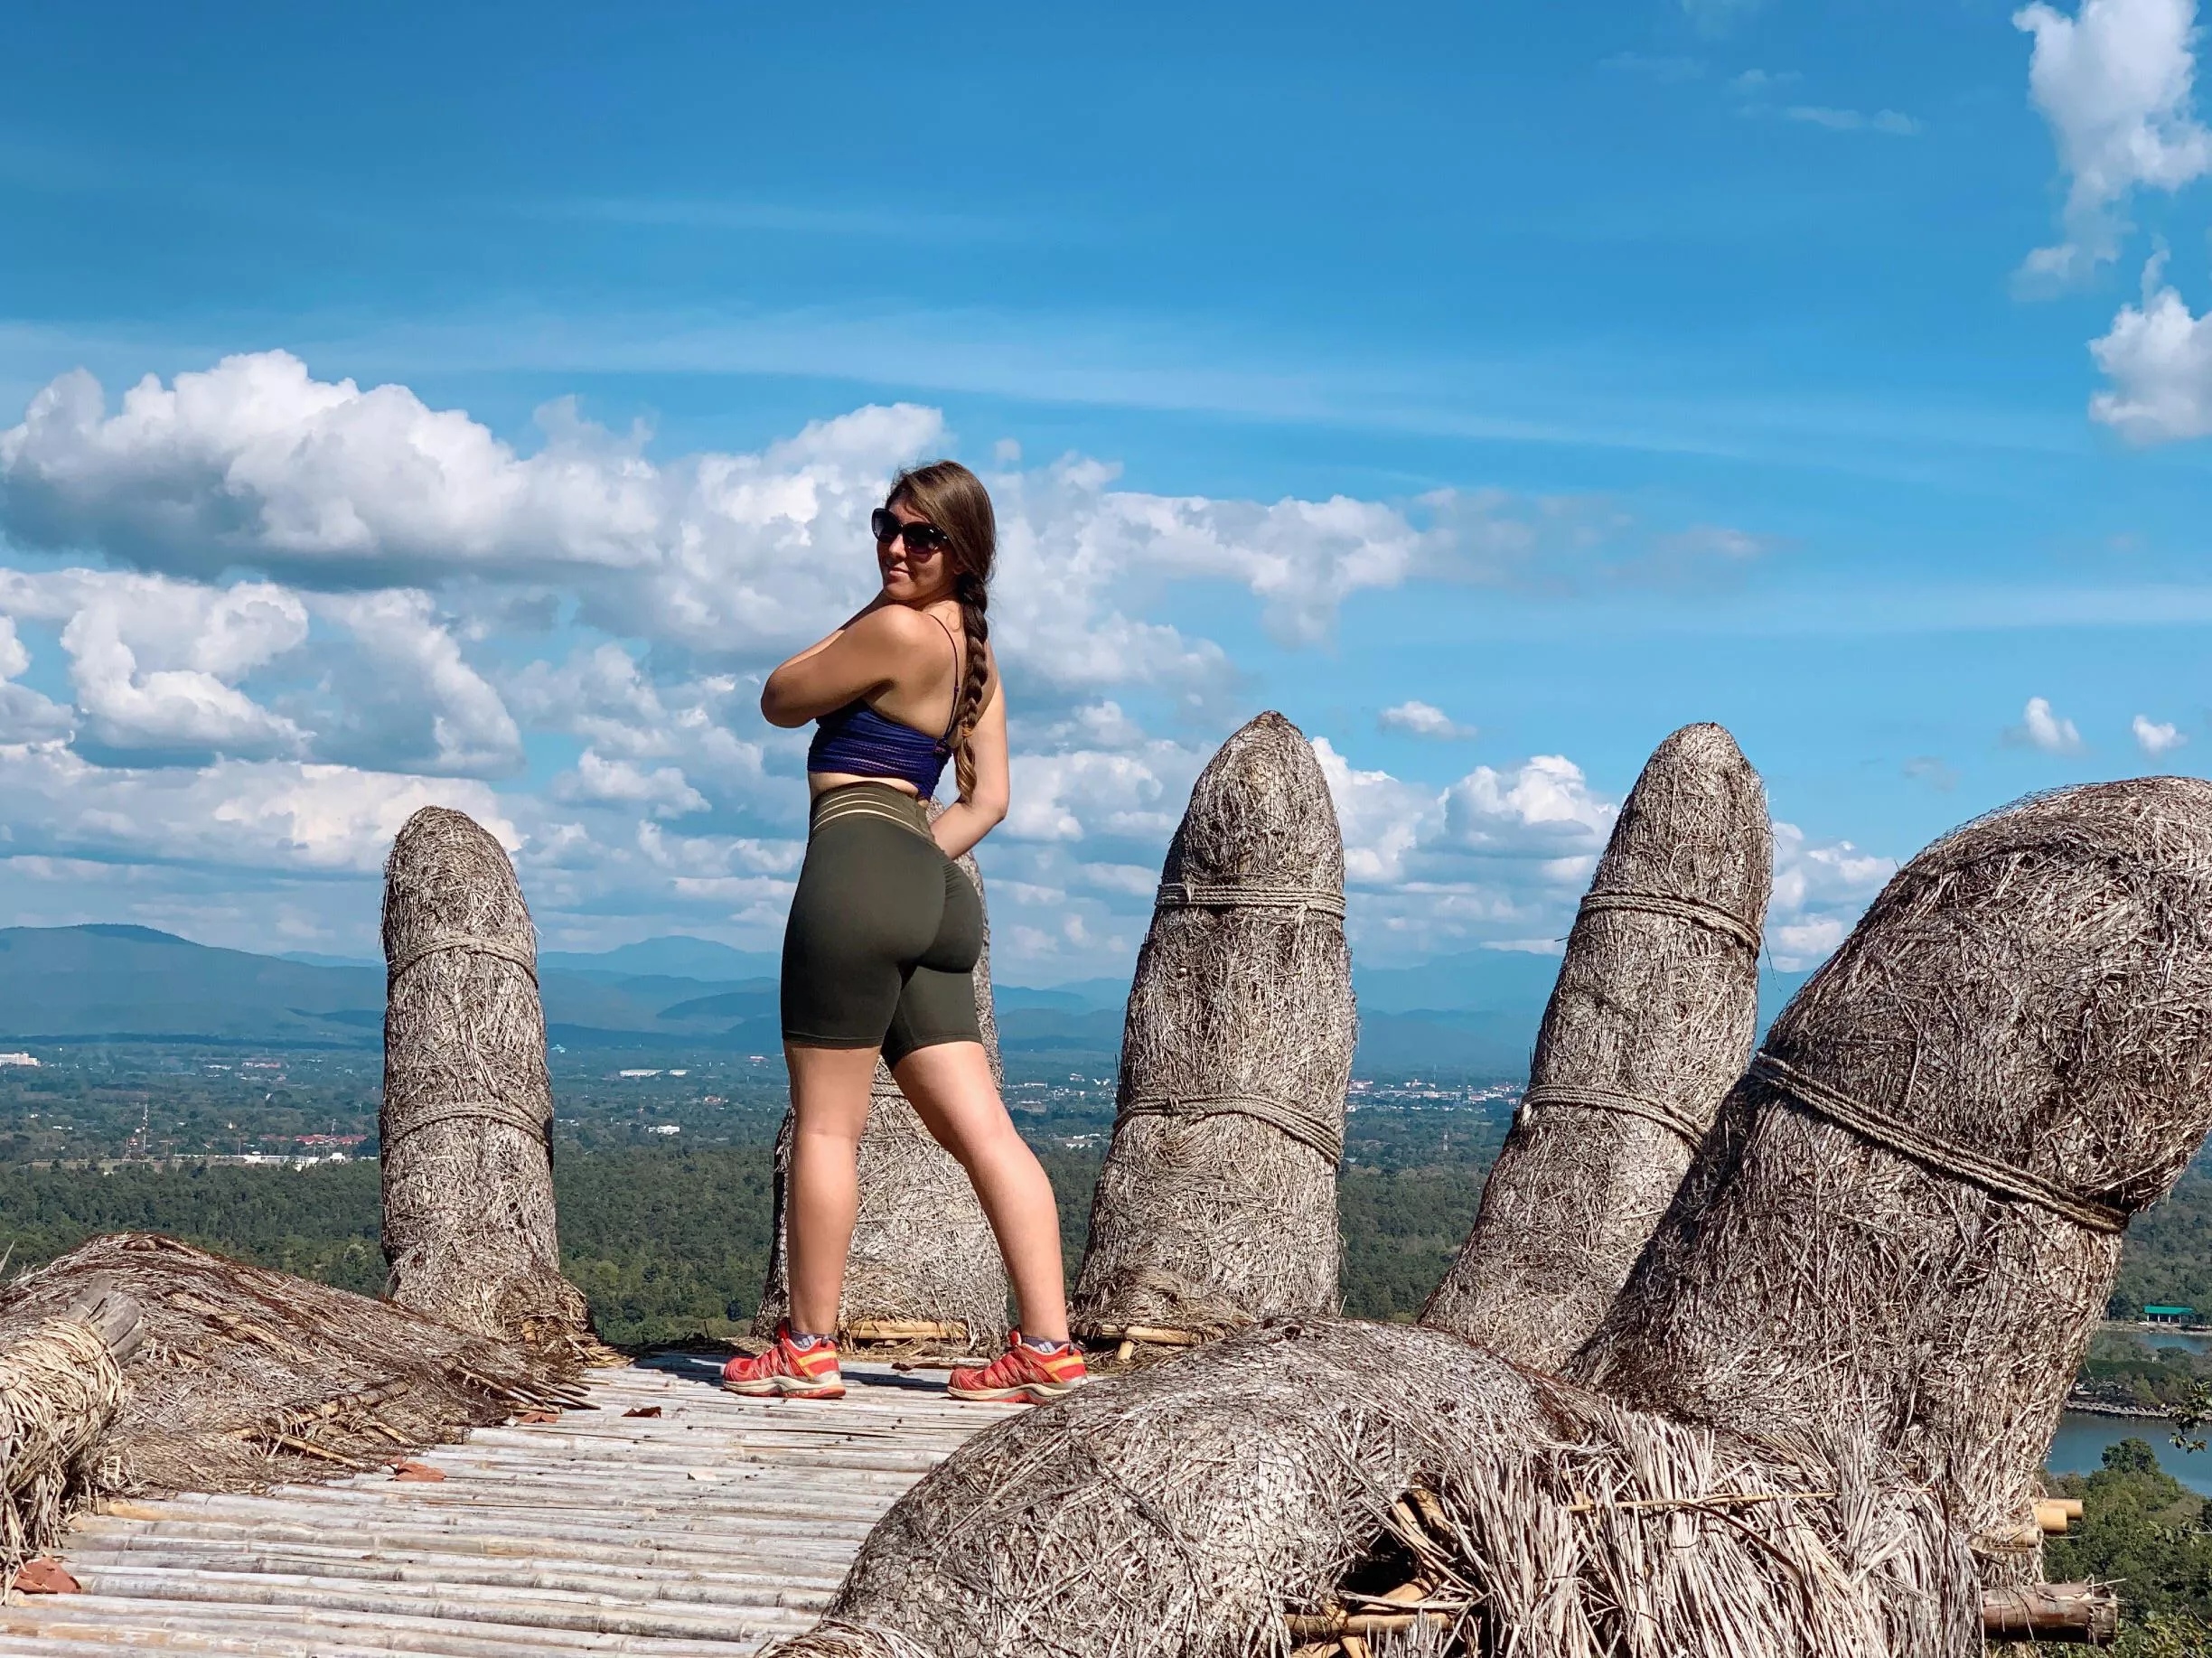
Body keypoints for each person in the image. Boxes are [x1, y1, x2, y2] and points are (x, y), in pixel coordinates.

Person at [722, 460, 1088, 1407]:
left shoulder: (890, 630)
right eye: (884, 525)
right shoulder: (978, 653)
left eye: (920, 536)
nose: (894, 546)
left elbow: (777, 693)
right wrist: (917, 859)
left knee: (829, 1126)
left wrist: (880, 862)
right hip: (935, 891)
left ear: (962, 552)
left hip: (855, 871)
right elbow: (991, 799)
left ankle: (807, 1346)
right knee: (987, 1134)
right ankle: (1048, 1343)